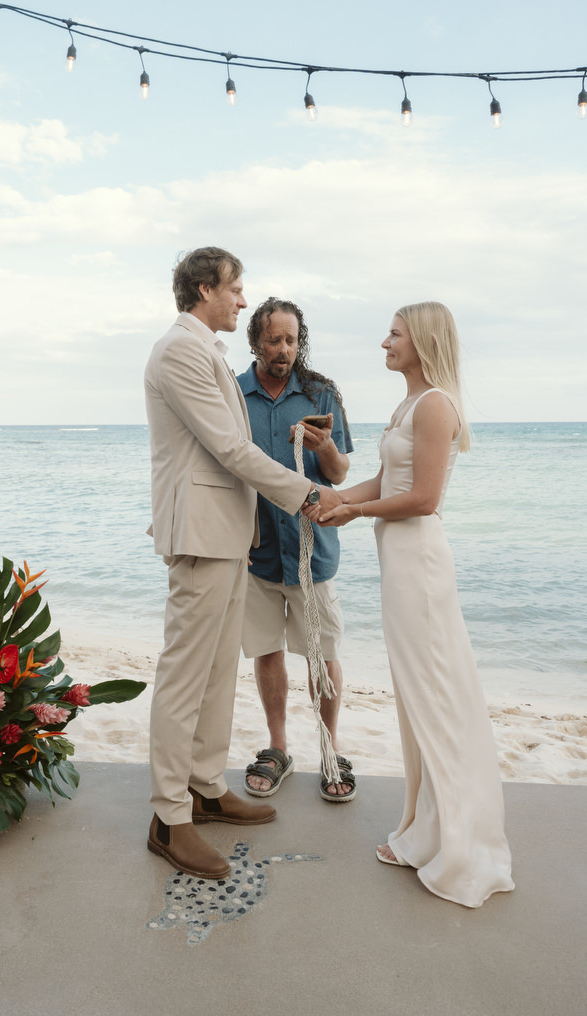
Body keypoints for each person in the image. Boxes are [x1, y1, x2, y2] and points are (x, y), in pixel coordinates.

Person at [144, 248, 339, 880]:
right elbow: (230, 447)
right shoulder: (180, 351)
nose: (242, 299)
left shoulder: (207, 351)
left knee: (217, 673)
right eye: (235, 288)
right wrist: (306, 494)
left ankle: (205, 787)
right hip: (201, 534)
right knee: (184, 678)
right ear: (204, 289)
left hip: (230, 536)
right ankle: (169, 817)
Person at [318, 302, 514, 907]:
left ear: (422, 340)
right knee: (417, 697)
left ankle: (456, 844)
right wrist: (329, 498)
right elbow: (388, 482)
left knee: (435, 698)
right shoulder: (408, 404)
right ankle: (427, 830)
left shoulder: (434, 406)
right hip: (400, 563)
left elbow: (425, 498)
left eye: (395, 334)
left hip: (421, 566)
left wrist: (352, 510)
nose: (385, 343)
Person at [237, 298, 356, 802]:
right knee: (266, 651)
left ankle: (330, 748)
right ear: (255, 342)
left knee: (322, 656)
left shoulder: (320, 393)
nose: (283, 349)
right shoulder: (232, 394)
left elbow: (340, 474)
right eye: (273, 340)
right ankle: (278, 747)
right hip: (256, 552)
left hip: (313, 552)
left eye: (291, 339)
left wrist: (322, 446)